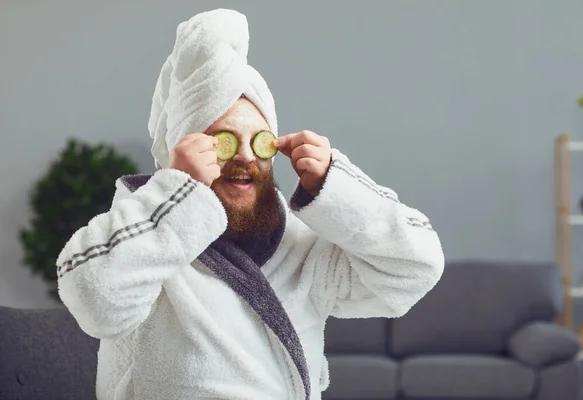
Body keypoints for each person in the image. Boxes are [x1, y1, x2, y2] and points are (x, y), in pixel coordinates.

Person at [56, 8, 444, 400]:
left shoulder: (300, 250)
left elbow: (415, 268)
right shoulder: (147, 240)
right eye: (221, 141)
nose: (244, 156)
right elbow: (93, 296)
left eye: (259, 140)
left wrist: (337, 186)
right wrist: (177, 194)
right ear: (183, 154)